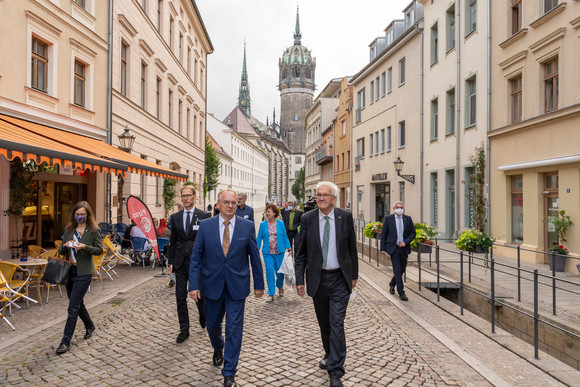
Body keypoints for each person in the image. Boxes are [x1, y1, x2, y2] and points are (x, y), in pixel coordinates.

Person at [189, 189, 264, 387]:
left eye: (233, 202)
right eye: (226, 202)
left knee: (234, 329)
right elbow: (196, 257)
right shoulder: (206, 226)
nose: (230, 205)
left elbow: (254, 256)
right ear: (218, 204)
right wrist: (193, 285)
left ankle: (229, 372)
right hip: (211, 285)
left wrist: (259, 284)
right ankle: (218, 347)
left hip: (236, 286)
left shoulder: (246, 226)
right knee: (212, 325)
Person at [295, 182, 358, 387]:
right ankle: (329, 352)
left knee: (337, 323)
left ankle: (336, 370)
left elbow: (352, 249)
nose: (320, 198)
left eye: (325, 195)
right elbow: (301, 252)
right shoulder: (307, 219)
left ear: (333, 198)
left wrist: (354, 275)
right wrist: (299, 280)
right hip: (318, 279)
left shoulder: (345, 217)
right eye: (318, 195)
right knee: (325, 323)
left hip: (340, 278)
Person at [55, 201, 103, 355]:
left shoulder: (93, 230)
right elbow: (62, 250)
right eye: (77, 214)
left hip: (84, 273)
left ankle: (65, 341)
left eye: (82, 214)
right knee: (77, 303)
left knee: (72, 308)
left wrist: (84, 247)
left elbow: (99, 250)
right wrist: (66, 245)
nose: (80, 216)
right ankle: (89, 325)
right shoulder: (69, 230)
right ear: (73, 214)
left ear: (87, 215)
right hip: (70, 271)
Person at [167, 185, 210, 343]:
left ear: (194, 197)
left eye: (188, 195)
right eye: (183, 196)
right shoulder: (175, 217)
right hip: (180, 261)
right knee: (180, 297)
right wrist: (171, 261)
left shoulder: (203, 216)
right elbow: (174, 241)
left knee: (199, 295)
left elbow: (207, 241)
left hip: (197, 261)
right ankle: (184, 329)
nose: (185, 198)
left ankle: (203, 316)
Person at [379, 201, 416, 302]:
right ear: (394, 208)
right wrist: (382, 248)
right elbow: (384, 234)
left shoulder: (407, 219)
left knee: (402, 269)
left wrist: (405, 242)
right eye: (397, 207)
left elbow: (413, 233)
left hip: (404, 248)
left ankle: (392, 283)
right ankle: (401, 292)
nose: (399, 209)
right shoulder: (388, 219)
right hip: (393, 248)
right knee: (397, 268)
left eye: (401, 207)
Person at [256, 204, 291, 302]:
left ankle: (280, 286)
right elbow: (259, 238)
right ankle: (271, 293)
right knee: (270, 272)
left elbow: (284, 236)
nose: (267, 213)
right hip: (268, 254)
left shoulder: (280, 224)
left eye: (269, 211)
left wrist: (289, 248)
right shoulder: (263, 224)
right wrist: (256, 250)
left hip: (279, 253)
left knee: (280, 274)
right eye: (266, 211)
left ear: (275, 213)